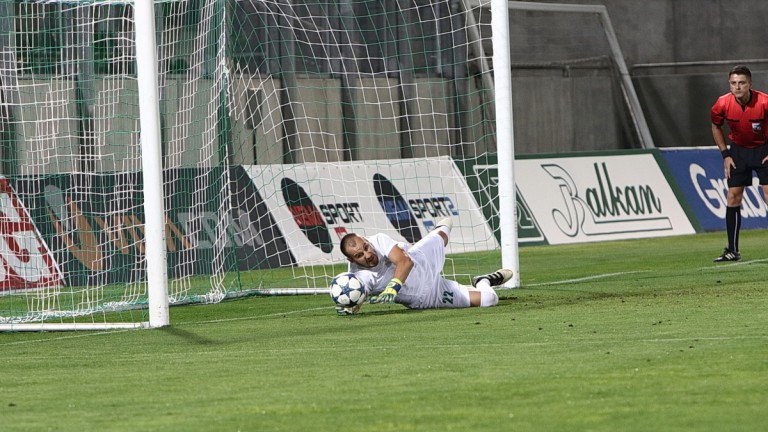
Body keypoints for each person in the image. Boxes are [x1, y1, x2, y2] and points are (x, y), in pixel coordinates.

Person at [334, 217, 513, 315]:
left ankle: (436, 231)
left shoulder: (379, 241)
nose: (367, 255)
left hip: (421, 261)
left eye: (365, 247)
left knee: (444, 231)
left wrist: (392, 288)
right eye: (359, 255)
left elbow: (405, 262)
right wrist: (351, 305)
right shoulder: (357, 277)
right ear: (352, 261)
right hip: (428, 296)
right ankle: (483, 281)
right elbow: (359, 294)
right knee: (489, 300)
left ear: (366, 240)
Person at [710, 65, 768, 262]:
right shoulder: (722, 103)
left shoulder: (764, 102)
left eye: (742, 83)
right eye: (734, 83)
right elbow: (716, 125)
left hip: (763, 150)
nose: (737, 87)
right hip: (738, 152)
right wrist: (726, 154)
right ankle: (732, 250)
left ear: (750, 84)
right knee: (733, 196)